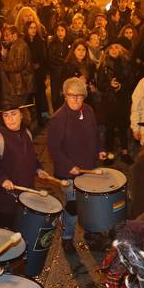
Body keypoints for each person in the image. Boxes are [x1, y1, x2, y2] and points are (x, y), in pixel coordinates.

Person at [0, 96, 58, 230]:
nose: (10, 119)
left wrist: (38, 169)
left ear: (22, 114)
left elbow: (30, 157)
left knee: (22, 233)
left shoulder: (26, 133)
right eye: (6, 115)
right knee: (9, 239)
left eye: (14, 114)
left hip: (23, 199)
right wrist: (1, 180)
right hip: (2, 203)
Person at [47, 77, 108, 244]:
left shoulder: (88, 111)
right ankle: (67, 237)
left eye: (79, 95)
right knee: (73, 207)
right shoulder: (58, 119)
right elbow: (54, 148)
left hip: (89, 169)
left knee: (90, 204)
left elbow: (96, 134)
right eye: (71, 95)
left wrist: (100, 149)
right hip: (70, 174)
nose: (75, 99)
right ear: (65, 96)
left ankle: (91, 232)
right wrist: (68, 166)